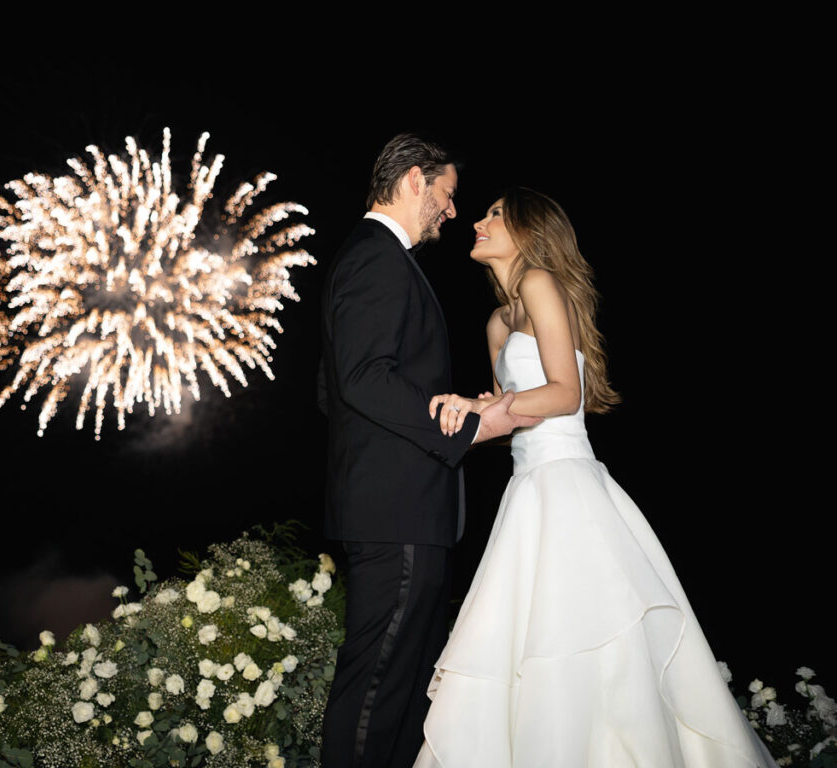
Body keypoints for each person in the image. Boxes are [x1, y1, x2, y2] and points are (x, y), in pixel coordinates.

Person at [414, 188, 778, 767]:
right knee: (530, 645)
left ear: (530, 232)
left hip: (568, 486)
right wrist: (485, 411)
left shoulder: (538, 283)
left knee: (583, 637)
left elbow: (565, 394)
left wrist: (486, 407)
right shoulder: (496, 322)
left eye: (494, 215)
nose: (477, 222)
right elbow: (516, 418)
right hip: (525, 491)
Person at [318, 135, 541, 768]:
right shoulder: (376, 257)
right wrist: (465, 427)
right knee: (375, 691)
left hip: (398, 507)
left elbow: (331, 389)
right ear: (414, 180)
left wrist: (449, 407)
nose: (450, 210)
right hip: (396, 513)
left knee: (405, 697)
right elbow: (361, 378)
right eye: (446, 195)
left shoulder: (374, 258)